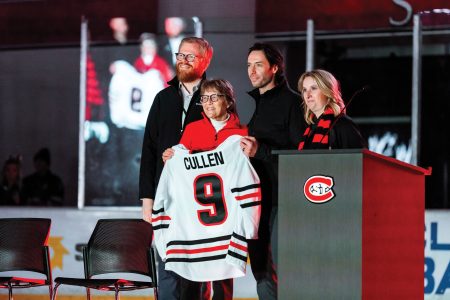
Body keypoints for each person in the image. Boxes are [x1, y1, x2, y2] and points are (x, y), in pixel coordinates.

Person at [139, 37, 213, 300]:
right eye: (180, 55)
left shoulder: (215, 97)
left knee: (197, 269)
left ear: (206, 60)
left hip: (200, 200)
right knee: (167, 266)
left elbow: (224, 142)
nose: (183, 60)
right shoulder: (163, 98)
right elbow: (148, 149)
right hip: (165, 199)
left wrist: (186, 154)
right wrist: (147, 202)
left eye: (190, 56)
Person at [161, 79, 247, 300]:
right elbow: (179, 162)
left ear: (228, 101)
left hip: (226, 218)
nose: (208, 103)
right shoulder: (192, 129)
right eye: (204, 99)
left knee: (223, 279)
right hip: (195, 219)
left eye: (214, 97)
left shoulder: (242, 133)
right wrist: (171, 156)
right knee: (192, 277)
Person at [240, 43, 306, 300]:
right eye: (248, 65)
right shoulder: (260, 103)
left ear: (275, 68)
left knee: (280, 269)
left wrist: (262, 151)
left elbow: (301, 155)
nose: (251, 71)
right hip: (257, 201)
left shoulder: (293, 103)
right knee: (260, 268)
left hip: (282, 200)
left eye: (258, 65)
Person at [297, 69, 365, 150]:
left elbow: (358, 160)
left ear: (328, 91)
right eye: (304, 90)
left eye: (314, 88)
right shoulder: (309, 129)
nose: (308, 95)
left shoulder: (343, 125)